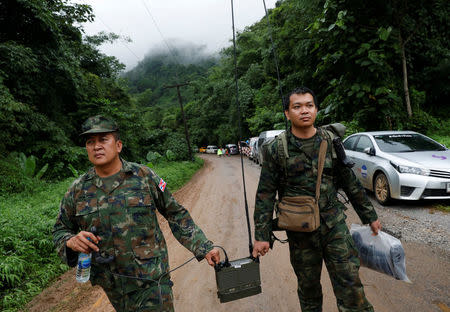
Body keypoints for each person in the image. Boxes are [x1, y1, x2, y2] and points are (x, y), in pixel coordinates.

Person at [53, 115, 220, 312]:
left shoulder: (144, 177)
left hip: (152, 281)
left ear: (118, 145)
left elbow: (176, 213)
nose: (96, 146)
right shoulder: (78, 190)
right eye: (90, 142)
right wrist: (71, 242)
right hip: (113, 287)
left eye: (103, 139)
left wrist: (204, 246)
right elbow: (60, 230)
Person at [252, 87, 382, 312]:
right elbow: (265, 193)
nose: (304, 111)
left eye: (309, 105)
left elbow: (349, 182)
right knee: (309, 291)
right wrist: (261, 236)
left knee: (351, 287)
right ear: (287, 113)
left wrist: (370, 216)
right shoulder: (276, 150)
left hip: (334, 228)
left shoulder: (331, 142)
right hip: (300, 234)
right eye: (297, 106)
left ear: (316, 110)